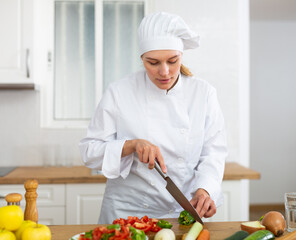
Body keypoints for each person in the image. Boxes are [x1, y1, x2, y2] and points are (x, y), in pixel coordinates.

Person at [79, 11, 227, 224]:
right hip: (127, 212)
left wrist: (205, 190)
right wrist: (131, 145)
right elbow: (89, 151)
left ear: (181, 56)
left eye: (172, 61)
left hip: (183, 210)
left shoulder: (203, 94)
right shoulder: (119, 92)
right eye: (153, 62)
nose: (164, 72)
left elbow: (213, 154)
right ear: (142, 59)